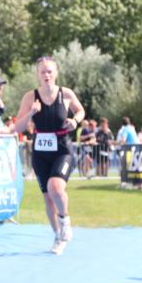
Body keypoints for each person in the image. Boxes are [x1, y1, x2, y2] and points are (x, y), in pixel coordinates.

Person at [10, 56, 85, 255]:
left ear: (56, 73)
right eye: (43, 72)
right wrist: (31, 113)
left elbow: (81, 110)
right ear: (37, 75)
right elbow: (18, 126)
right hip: (40, 151)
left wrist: (75, 121)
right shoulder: (30, 97)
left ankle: (65, 220)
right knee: (48, 199)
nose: (47, 75)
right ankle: (58, 236)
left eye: (50, 71)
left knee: (56, 187)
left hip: (62, 149)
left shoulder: (66, 94)